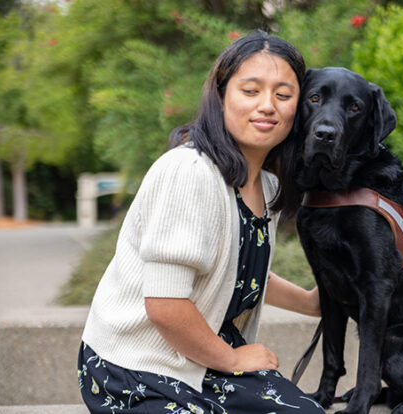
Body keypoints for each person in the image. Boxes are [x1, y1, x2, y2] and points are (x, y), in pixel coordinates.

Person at [78, 30, 325, 414]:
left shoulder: (268, 184)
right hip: (136, 366)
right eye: (250, 90)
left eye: (283, 94)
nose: (267, 106)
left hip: (203, 355)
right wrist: (232, 360)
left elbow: (237, 271)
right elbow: (165, 304)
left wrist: (312, 304)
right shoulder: (190, 172)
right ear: (221, 95)